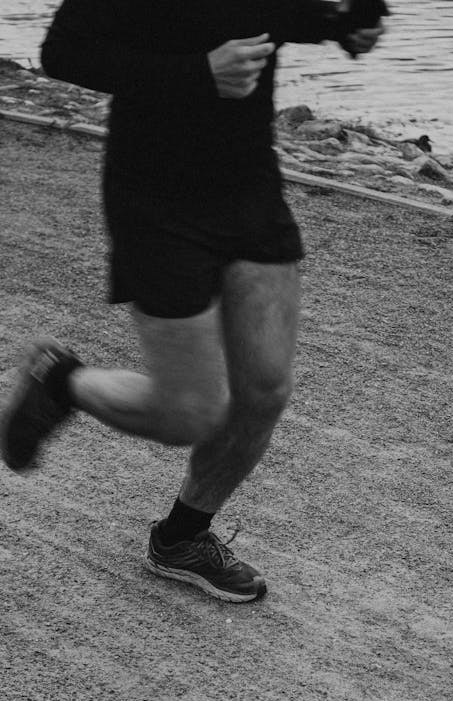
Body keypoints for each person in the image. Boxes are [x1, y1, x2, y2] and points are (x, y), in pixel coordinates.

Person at [1, 0, 387, 603]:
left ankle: (183, 536)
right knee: (192, 413)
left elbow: (283, 15)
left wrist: (344, 26)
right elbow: (64, 53)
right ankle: (60, 381)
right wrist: (196, 73)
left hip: (249, 186)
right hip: (155, 198)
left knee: (264, 389)